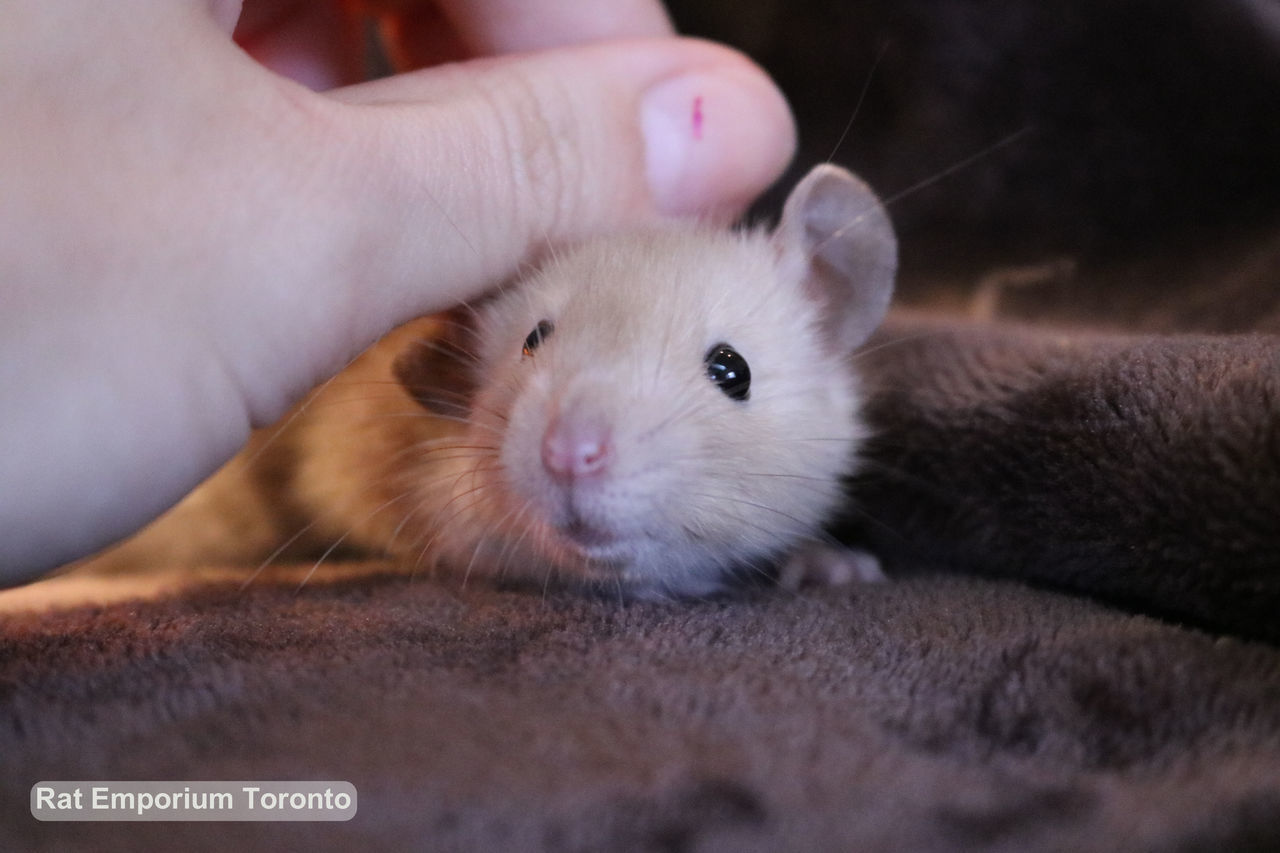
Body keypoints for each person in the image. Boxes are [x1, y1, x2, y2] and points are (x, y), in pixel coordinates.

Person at [0, 0, 795, 585]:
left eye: (725, 371)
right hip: (152, 526)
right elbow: (340, 472)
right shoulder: (442, 361)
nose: (578, 447)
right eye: (537, 342)